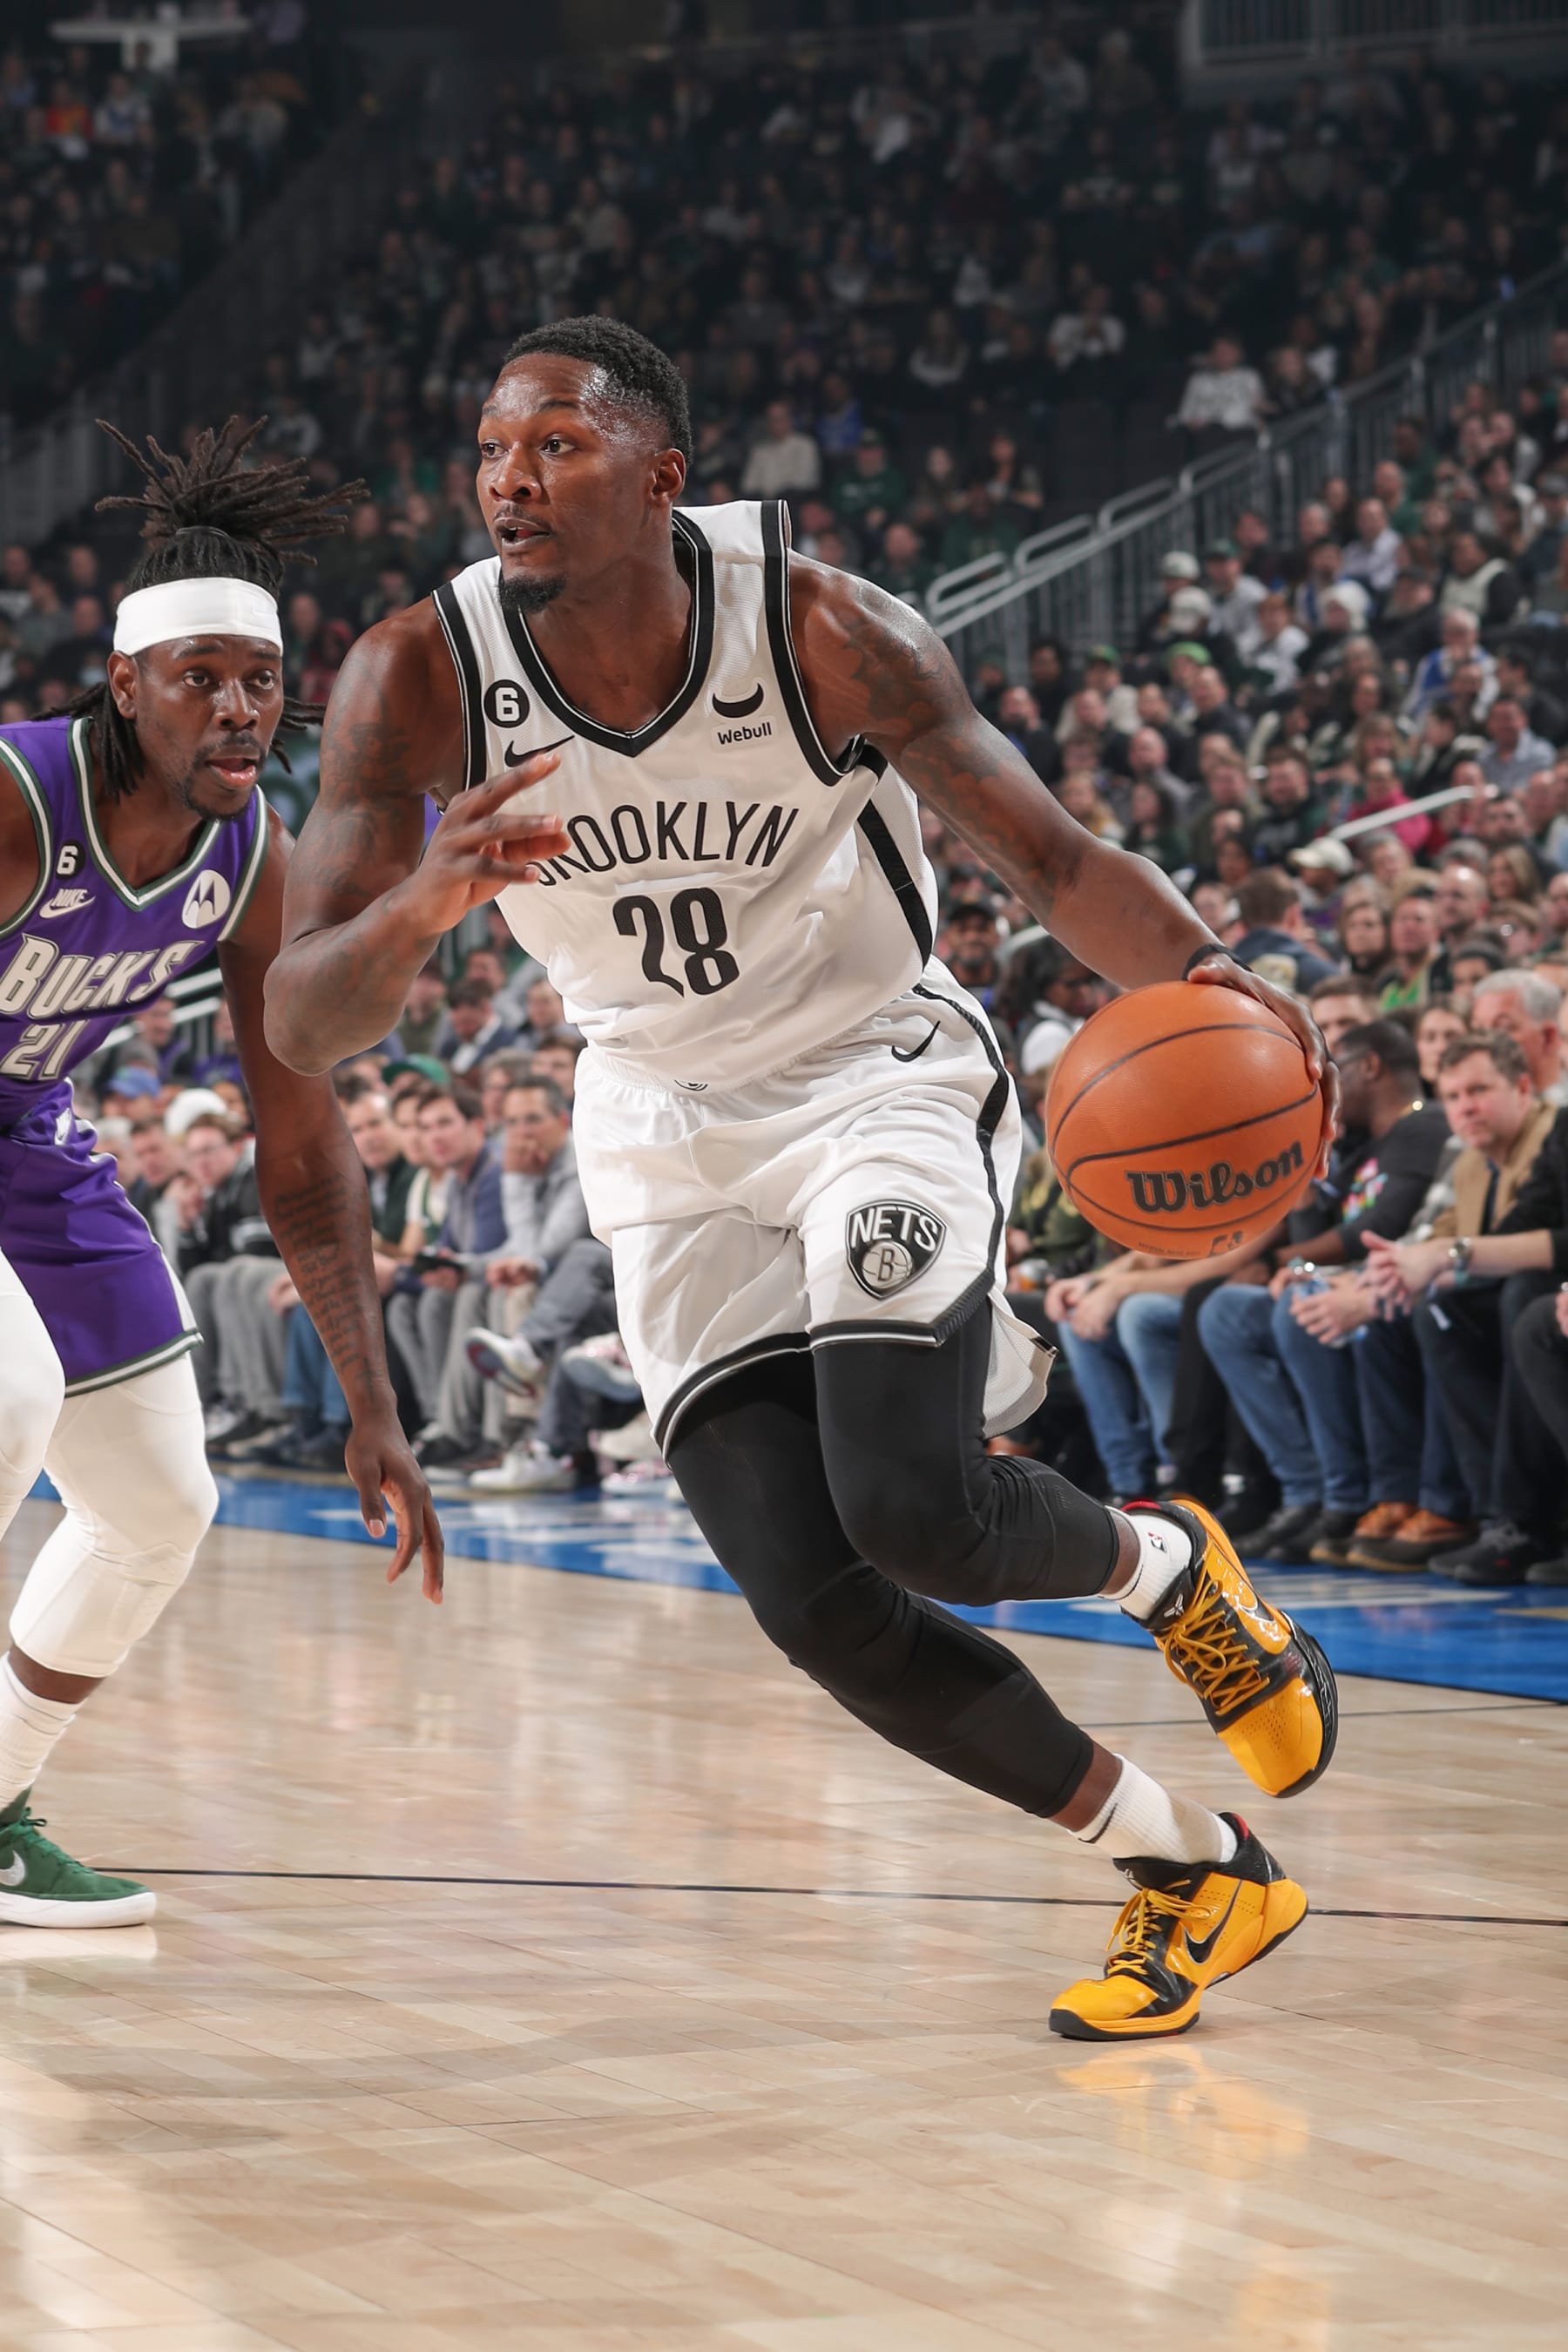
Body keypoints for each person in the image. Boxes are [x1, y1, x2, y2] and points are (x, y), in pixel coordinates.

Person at [266, 316, 1339, 2041]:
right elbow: (307, 1019)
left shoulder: (828, 631)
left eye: (556, 447)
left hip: (871, 1079)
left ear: (664, 477)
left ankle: (1168, 1570)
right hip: (656, 1121)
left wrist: (1222, 975)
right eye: (491, 453)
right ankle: (1195, 1867)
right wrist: (423, 903)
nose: (508, 483)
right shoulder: (416, 675)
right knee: (815, 1601)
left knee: (914, 1510)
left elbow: (1054, 859)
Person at [0, 419, 436, 1928]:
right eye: (203, 678)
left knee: (158, 1506)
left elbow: (301, 1143)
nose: (242, 709)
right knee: (8, 1393)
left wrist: (372, 1403)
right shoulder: (17, 802)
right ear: (126, 684)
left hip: (27, 1136)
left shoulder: (254, 860)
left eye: (262, 681)